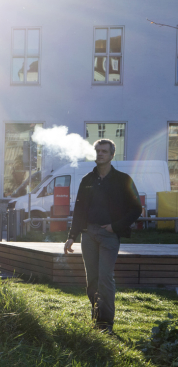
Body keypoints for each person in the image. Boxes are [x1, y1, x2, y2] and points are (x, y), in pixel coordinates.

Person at [64, 139, 142, 333]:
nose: (100, 154)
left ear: (112, 155)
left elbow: (136, 208)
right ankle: (96, 317)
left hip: (109, 235)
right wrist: (72, 236)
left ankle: (105, 324)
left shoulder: (124, 180)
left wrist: (115, 226)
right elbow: (79, 210)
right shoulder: (87, 180)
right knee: (92, 280)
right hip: (88, 235)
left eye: (104, 151)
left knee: (105, 278)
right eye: (97, 151)